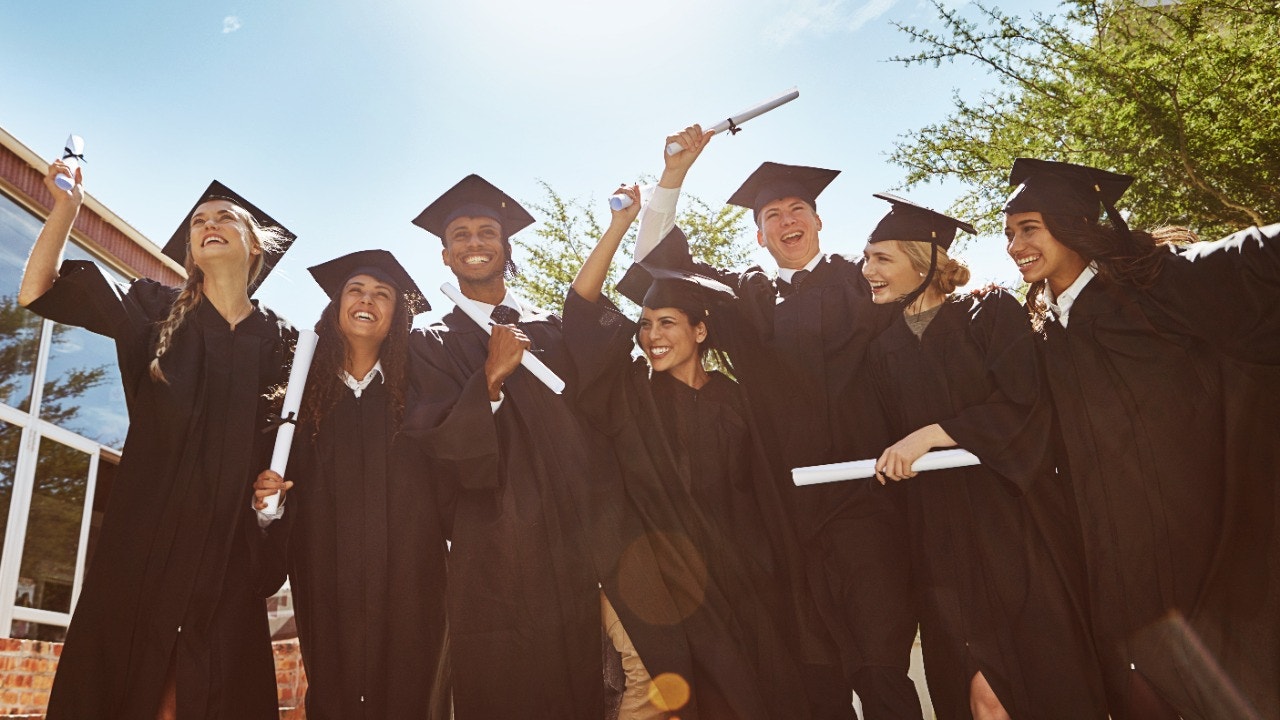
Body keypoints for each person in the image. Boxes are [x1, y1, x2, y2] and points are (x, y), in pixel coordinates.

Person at [635, 127, 916, 719]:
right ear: (758, 235)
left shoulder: (867, 279)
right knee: (814, 681)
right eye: (772, 214)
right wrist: (674, 175)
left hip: (870, 502)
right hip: (784, 518)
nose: (787, 220)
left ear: (818, 222)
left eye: (798, 209)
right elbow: (658, 261)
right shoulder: (743, 297)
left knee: (881, 669)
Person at [1003, 158, 1280, 719]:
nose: (1015, 245)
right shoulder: (1043, 329)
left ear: (1073, 221)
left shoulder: (1152, 284)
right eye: (1009, 233)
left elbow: (1253, 256)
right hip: (1117, 555)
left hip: (1200, 534)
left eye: (1029, 228)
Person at [19, 169, 295, 720]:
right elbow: (37, 291)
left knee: (210, 688)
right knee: (125, 680)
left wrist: (274, 493)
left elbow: (286, 451)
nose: (208, 225)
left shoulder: (285, 342)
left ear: (256, 247)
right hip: (144, 538)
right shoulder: (154, 306)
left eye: (224, 218)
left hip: (228, 548)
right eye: (199, 221)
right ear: (191, 249)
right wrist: (67, 212)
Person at [562, 185, 816, 719]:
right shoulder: (628, 394)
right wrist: (617, 226)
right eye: (646, 326)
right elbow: (582, 311)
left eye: (668, 323)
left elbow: (765, 488)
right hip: (667, 581)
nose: (652, 336)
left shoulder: (736, 400)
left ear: (700, 330)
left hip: (746, 579)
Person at [860, 194, 1107, 719]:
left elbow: (1027, 405)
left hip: (1013, 529)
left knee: (1034, 679)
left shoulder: (988, 312)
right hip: (939, 539)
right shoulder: (883, 350)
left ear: (923, 259)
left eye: (881, 258)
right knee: (974, 697)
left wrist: (932, 433)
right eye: (866, 258)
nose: (867, 271)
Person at [405, 174, 609, 718]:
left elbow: (599, 410)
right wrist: (490, 378)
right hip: (491, 544)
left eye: (486, 232)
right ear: (446, 256)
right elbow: (434, 437)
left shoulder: (552, 329)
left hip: (571, 533)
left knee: (582, 680)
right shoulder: (429, 342)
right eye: (461, 235)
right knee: (504, 682)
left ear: (506, 246)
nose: (475, 243)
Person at [252, 250, 450, 720]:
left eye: (383, 294)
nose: (368, 300)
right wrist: (268, 504)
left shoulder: (419, 396)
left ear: (397, 315)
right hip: (326, 574)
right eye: (356, 290)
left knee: (413, 691)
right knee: (334, 692)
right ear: (335, 305)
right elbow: (276, 500)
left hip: (411, 579)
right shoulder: (299, 403)